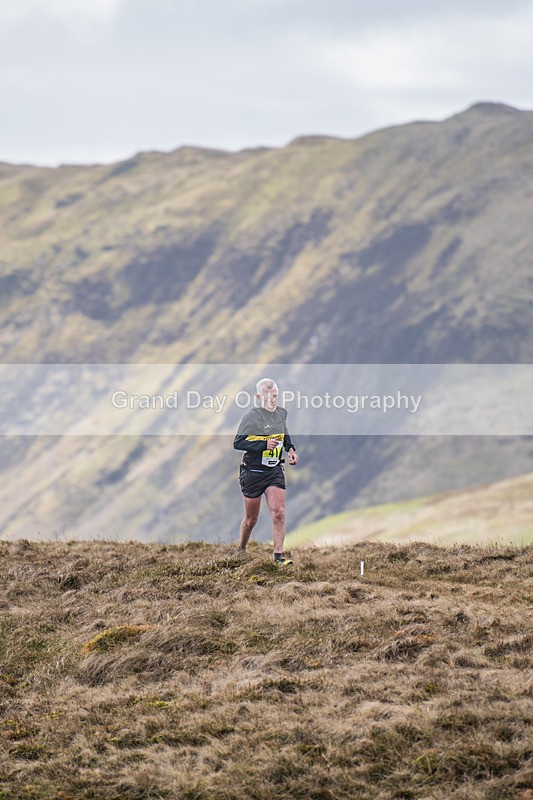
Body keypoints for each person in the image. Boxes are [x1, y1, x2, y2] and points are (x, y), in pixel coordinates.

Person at [233, 378, 299, 565]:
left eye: (275, 396)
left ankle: (278, 557)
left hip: (273, 471)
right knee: (251, 520)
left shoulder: (281, 414)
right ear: (259, 397)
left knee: (279, 513)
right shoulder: (251, 417)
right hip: (252, 472)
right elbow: (237, 443)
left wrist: (291, 449)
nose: (273, 400)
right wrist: (263, 445)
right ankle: (241, 549)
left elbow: (283, 433)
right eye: (268, 396)